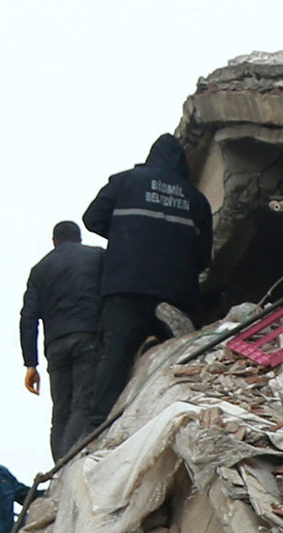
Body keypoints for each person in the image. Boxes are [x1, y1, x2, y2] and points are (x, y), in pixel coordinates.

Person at [77, 133, 212, 430]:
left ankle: (99, 427)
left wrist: (130, 239)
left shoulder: (124, 182)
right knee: (177, 359)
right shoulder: (195, 199)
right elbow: (204, 257)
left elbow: (92, 219)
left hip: (127, 288)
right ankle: (170, 419)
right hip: (177, 295)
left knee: (114, 357)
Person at [20, 219, 106, 466]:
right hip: (88, 337)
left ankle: (59, 465)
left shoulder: (40, 269)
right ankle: (67, 464)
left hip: (55, 345)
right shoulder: (96, 257)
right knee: (82, 404)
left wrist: (30, 364)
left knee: (60, 412)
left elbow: (27, 318)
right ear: (79, 238)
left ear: (54, 242)